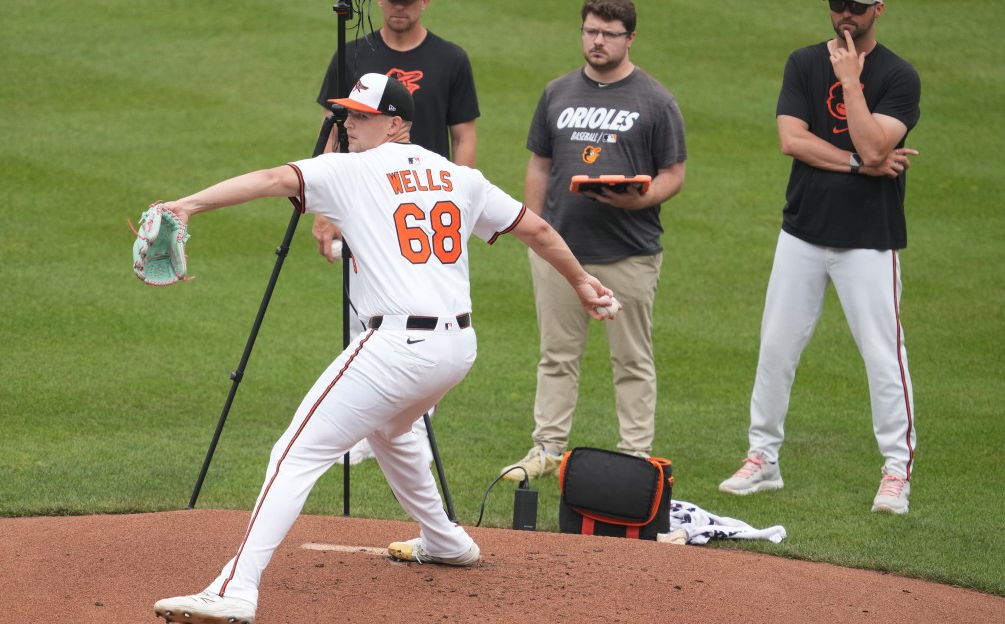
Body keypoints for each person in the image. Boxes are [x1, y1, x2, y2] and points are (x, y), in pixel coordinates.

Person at [152, 73, 619, 623]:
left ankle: (235, 587)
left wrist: (189, 206)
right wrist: (582, 280)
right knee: (393, 429)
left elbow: (275, 178)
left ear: (395, 122)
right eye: (345, 114)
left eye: (360, 116)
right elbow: (536, 230)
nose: (346, 124)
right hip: (457, 349)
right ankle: (445, 540)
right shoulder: (457, 176)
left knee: (295, 453)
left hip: (398, 347)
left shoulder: (350, 171)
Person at [717, 0, 920, 515]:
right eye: (836, 6)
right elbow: (793, 140)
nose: (843, 15)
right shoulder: (803, 63)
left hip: (870, 241)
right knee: (776, 349)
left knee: (883, 358)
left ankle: (896, 472)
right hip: (802, 233)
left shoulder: (899, 76)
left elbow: (878, 147)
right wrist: (857, 164)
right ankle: (763, 459)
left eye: (854, 6)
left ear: (878, 8)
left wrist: (852, 81)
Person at [500, 0, 686, 482]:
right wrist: (534, 228)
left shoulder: (655, 100)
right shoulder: (557, 92)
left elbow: (673, 174)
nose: (597, 41)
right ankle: (547, 447)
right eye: (590, 31)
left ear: (630, 39)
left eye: (608, 33)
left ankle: (635, 455)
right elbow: (540, 163)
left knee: (631, 357)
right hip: (562, 251)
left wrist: (640, 200)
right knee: (557, 354)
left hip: (630, 250)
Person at [315, 0, 481, 465]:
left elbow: (463, 135)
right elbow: (334, 129)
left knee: (421, 318)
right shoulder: (351, 55)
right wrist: (325, 206)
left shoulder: (451, 59)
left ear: (424, 2)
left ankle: (412, 431)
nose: (400, 7)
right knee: (360, 312)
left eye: (409, 0)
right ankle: (360, 429)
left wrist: (457, 202)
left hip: (420, 207)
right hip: (364, 204)